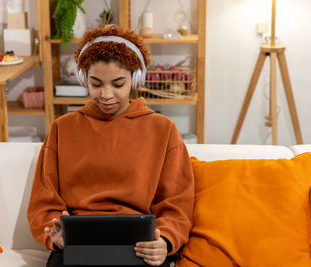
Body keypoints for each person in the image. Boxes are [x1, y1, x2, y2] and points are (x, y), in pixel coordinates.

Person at [27, 24, 194, 267]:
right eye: (96, 84)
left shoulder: (163, 130)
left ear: (136, 78)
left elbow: (177, 202)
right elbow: (44, 201)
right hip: (77, 246)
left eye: (118, 84)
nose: (106, 94)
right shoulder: (62, 128)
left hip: (140, 247)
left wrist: (165, 241)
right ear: (84, 79)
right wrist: (56, 236)